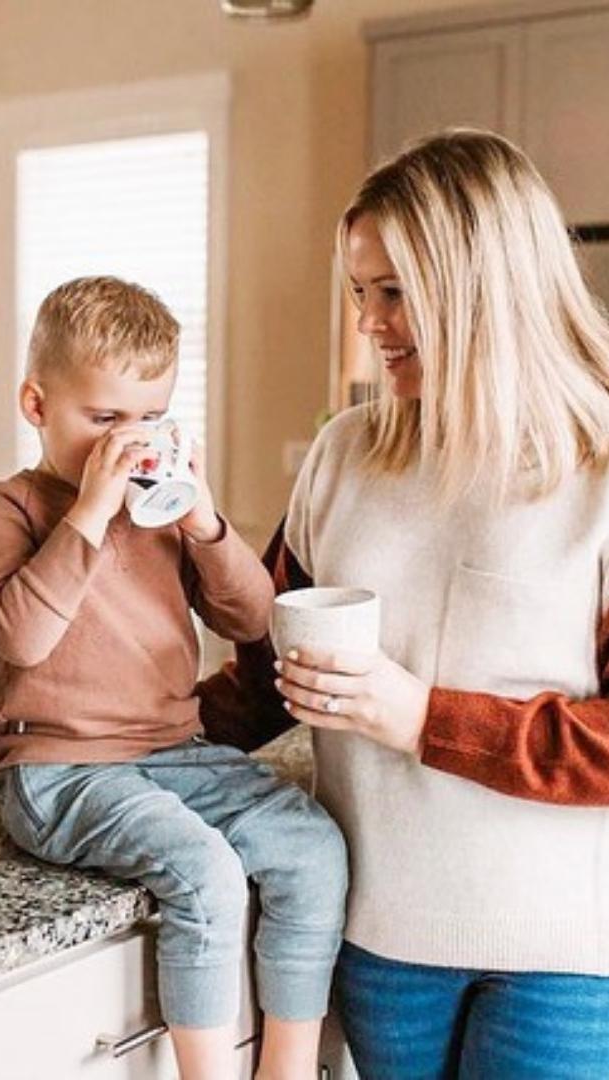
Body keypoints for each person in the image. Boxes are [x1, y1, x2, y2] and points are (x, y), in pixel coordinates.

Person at [199, 129, 609, 1079]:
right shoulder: (344, 454)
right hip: (383, 938)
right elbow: (265, 678)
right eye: (359, 292)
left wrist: (424, 718)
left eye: (395, 294)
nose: (370, 324)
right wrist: (110, 743)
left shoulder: (596, 471)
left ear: (484, 289)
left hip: (568, 956)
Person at [0, 276, 348, 1080]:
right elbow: (23, 637)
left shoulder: (165, 516)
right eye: (102, 419)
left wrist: (204, 524)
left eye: (148, 420)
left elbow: (254, 622)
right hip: (57, 770)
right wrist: (89, 515)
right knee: (203, 872)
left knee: (312, 847)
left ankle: (286, 1068)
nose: (126, 442)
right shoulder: (9, 507)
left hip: (172, 752)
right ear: (36, 404)